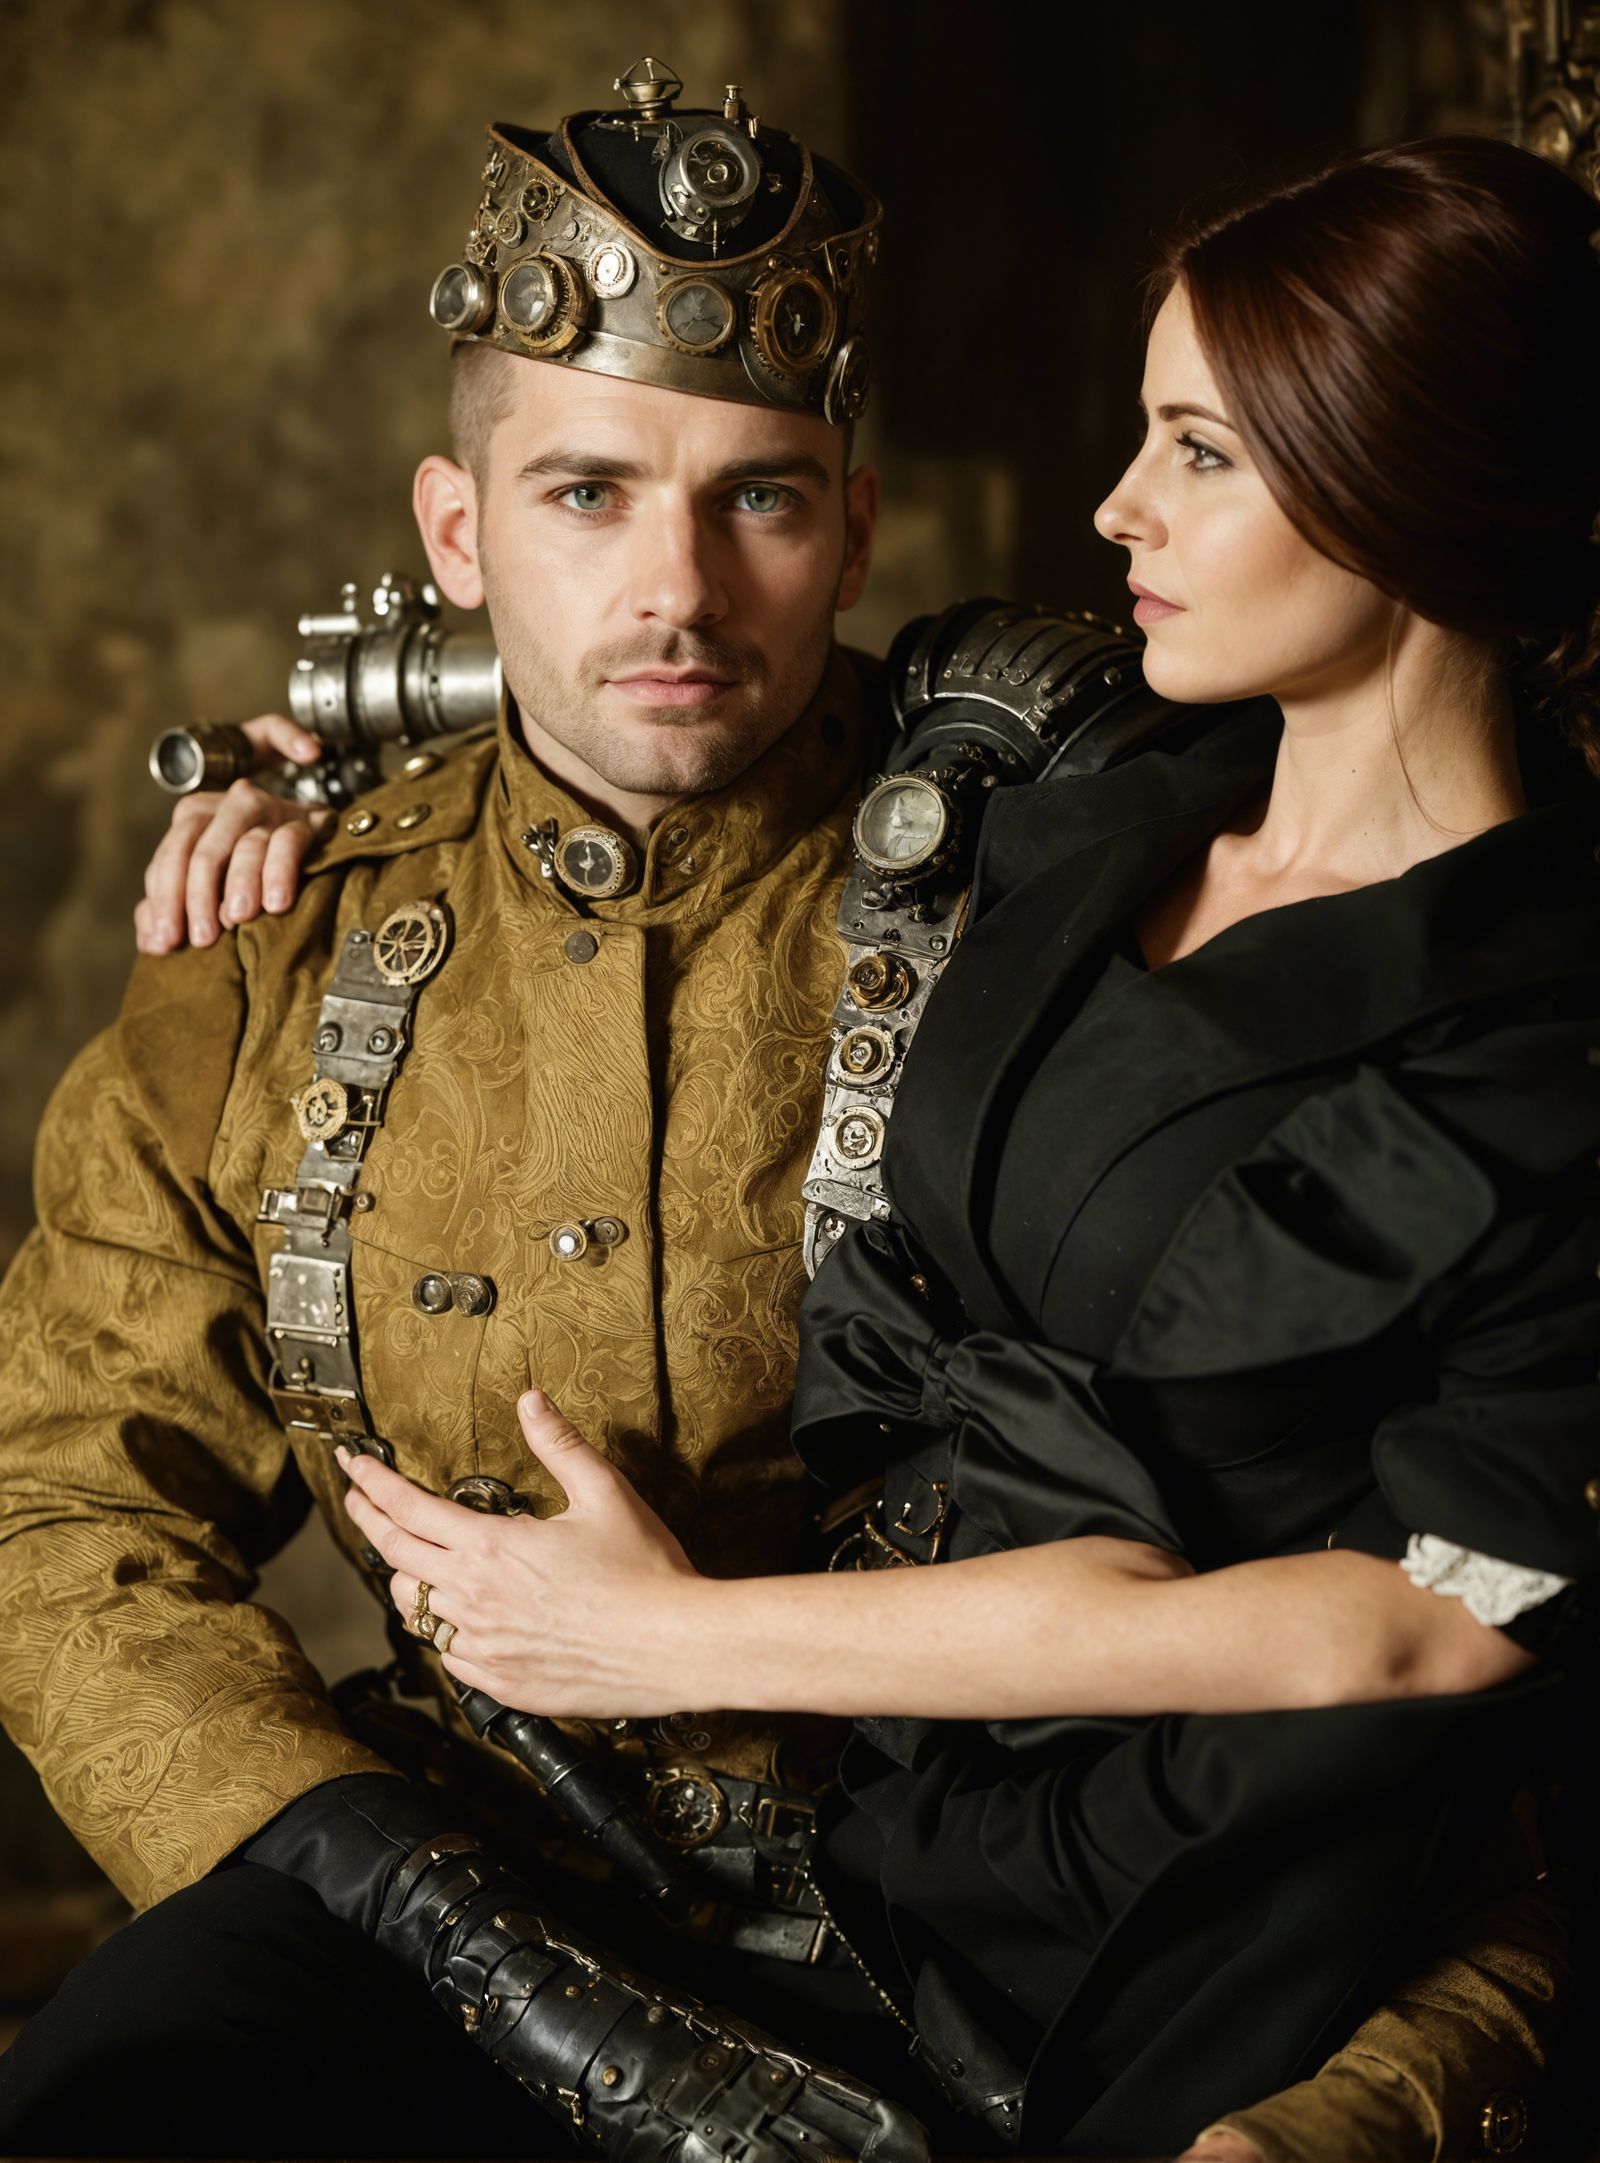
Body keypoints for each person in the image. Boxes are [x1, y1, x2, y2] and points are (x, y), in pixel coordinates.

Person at [0, 69, 1576, 2162]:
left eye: (756, 498)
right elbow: (72, 1514)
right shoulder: (277, 936)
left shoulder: (1059, 820)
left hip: (979, 1892)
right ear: (452, 532)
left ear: (851, 520)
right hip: (476, 1846)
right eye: (580, 496)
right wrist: (401, 1887)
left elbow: (1387, 744)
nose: (676, 589)